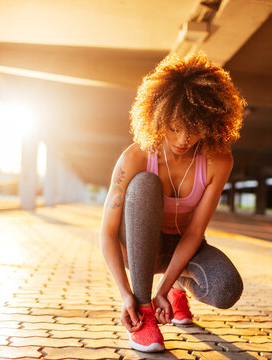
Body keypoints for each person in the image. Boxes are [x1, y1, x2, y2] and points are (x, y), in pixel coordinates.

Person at [100, 51, 246, 353]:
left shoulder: (219, 161)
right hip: (140, 251)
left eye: (194, 129)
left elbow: (194, 233)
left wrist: (164, 288)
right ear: (158, 117)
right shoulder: (136, 157)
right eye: (174, 127)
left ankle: (178, 286)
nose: (183, 139)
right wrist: (127, 295)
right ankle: (144, 314)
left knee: (226, 288)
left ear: (211, 122)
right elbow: (108, 232)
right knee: (144, 185)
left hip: (183, 245)